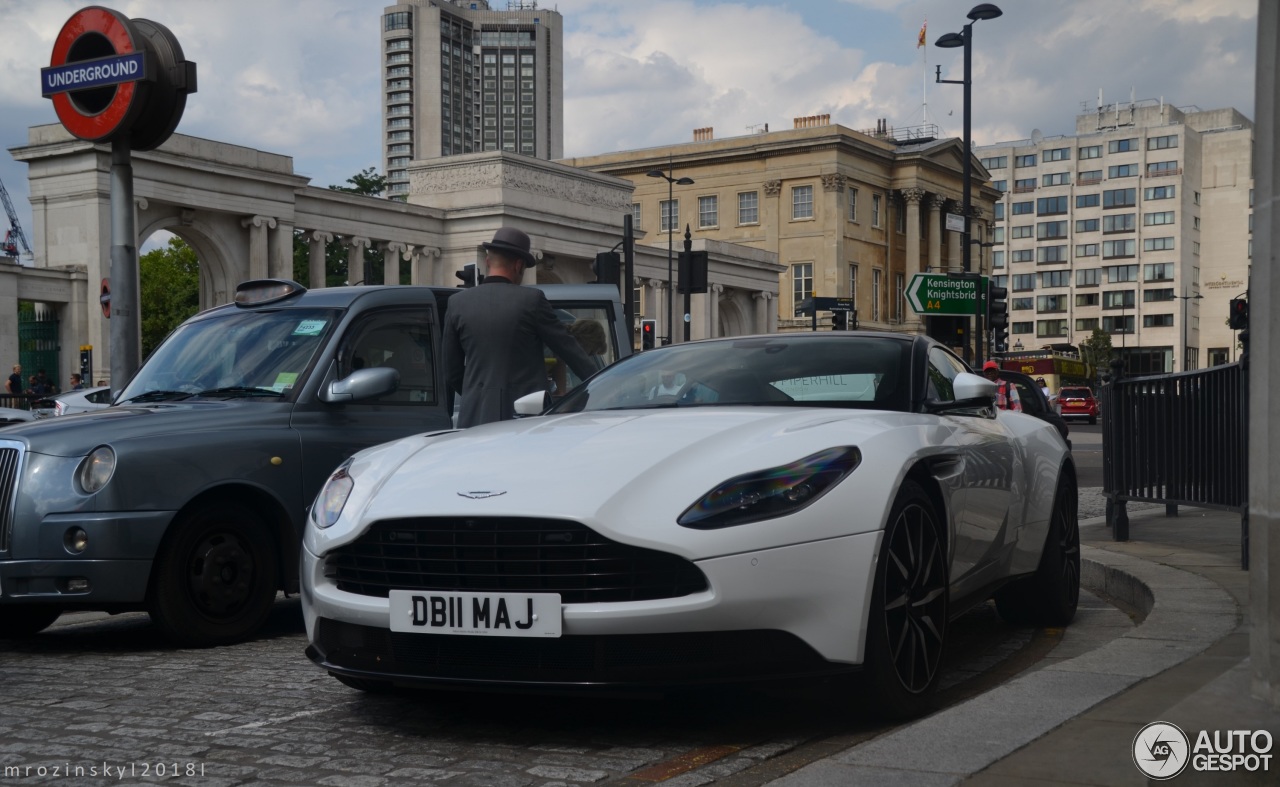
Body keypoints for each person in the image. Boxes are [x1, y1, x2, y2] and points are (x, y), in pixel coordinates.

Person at [443, 227, 597, 428]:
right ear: (518, 266)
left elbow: (451, 371)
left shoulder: (457, 303)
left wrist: (477, 393)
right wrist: (604, 384)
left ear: (488, 262)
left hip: (475, 417)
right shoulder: (532, 301)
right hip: (524, 419)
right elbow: (570, 351)